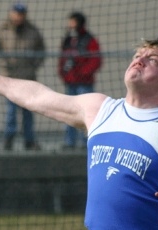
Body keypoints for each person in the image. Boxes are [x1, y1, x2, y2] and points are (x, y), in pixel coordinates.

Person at [0, 38, 158, 229]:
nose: (139, 59)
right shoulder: (100, 108)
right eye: (138, 54)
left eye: (152, 59)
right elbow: (37, 96)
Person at [0, 2, 45, 150]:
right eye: (16, 13)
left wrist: (34, 65)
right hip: (9, 79)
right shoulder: (2, 29)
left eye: (21, 14)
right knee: (11, 112)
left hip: (28, 78)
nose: (18, 17)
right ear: (11, 13)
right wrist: (3, 65)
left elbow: (41, 49)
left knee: (29, 111)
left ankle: (29, 141)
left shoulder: (33, 31)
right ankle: (8, 141)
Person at [58, 11, 102, 149]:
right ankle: (70, 142)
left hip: (84, 83)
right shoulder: (67, 39)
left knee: (86, 112)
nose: (70, 25)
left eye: (72, 22)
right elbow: (62, 59)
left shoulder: (89, 40)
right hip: (70, 82)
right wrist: (63, 73)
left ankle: (86, 142)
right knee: (69, 112)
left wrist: (83, 73)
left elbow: (96, 60)